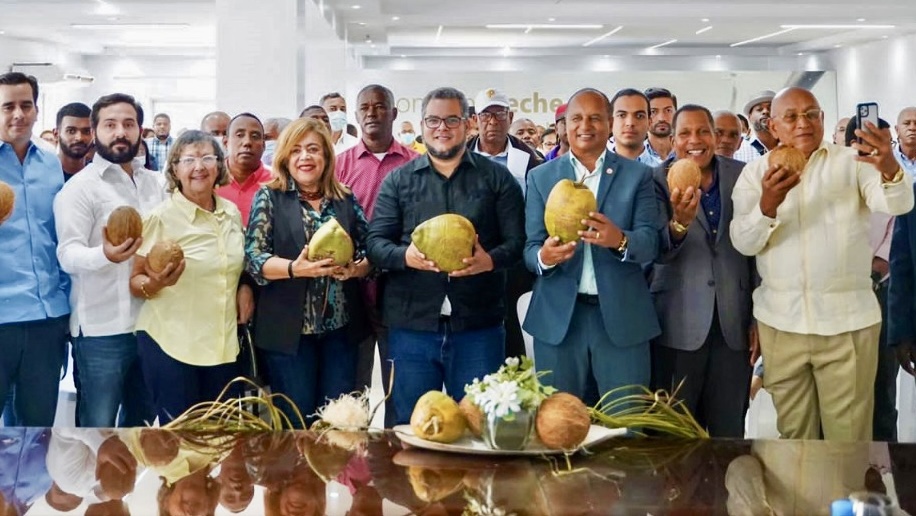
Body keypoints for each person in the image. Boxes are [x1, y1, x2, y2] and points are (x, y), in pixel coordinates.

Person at [731, 87, 914, 441]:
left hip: (848, 324)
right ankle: (800, 483)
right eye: (791, 117)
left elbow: (898, 204)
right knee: (795, 436)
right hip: (781, 323)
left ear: (823, 119)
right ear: (774, 126)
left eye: (811, 114)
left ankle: (843, 482)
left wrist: (889, 166)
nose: (804, 123)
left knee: (848, 438)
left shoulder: (855, 162)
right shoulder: (755, 174)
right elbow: (743, 242)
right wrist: (768, 205)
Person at [367, 86, 525, 425]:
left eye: (452, 120)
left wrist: (489, 261)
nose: (442, 128)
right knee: (409, 427)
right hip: (412, 328)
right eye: (433, 120)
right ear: (422, 125)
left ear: (468, 124)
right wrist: (405, 256)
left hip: (478, 328)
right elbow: (376, 243)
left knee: (478, 427)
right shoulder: (398, 181)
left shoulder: (497, 179)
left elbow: (518, 242)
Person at [523, 88, 660, 403]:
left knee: (625, 419)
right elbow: (530, 248)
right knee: (559, 421)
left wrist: (620, 240)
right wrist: (544, 257)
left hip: (622, 319)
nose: (585, 126)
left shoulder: (638, 175)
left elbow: (651, 242)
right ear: (564, 125)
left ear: (609, 123)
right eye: (577, 118)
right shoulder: (541, 177)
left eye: (595, 118)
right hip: (558, 321)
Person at [245, 117, 371, 428]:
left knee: (337, 422)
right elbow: (254, 257)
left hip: (339, 332)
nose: (305, 157)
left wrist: (355, 269)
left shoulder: (344, 197)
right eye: (296, 150)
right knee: (296, 424)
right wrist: (294, 268)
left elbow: (371, 249)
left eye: (313, 149)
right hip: (288, 335)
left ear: (326, 155)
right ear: (285, 156)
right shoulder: (270, 196)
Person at [54, 93, 163, 428]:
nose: (120, 132)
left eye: (129, 124)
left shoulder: (155, 184)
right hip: (101, 331)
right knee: (96, 429)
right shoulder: (80, 188)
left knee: (142, 427)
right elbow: (67, 254)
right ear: (95, 131)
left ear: (140, 130)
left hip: (151, 326)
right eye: (110, 124)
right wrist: (105, 255)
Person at [650, 105, 756, 437]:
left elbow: (757, 252)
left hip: (733, 326)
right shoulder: (654, 181)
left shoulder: (742, 175)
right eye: (685, 133)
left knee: (729, 433)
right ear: (672, 140)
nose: (694, 140)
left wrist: (757, 318)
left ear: (714, 135)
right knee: (677, 435)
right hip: (677, 326)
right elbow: (652, 252)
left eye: (703, 132)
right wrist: (678, 225)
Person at [130, 130, 248, 424]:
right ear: (174, 169)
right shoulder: (160, 218)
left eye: (207, 158)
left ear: (219, 165)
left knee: (222, 437)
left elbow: (236, 264)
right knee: (181, 441)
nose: (199, 167)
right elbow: (135, 281)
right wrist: (156, 283)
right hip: (172, 346)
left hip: (222, 347)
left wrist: (244, 286)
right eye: (189, 160)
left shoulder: (231, 213)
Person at [335, 85, 418, 402]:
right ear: (356, 115)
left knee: (398, 386)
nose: (372, 113)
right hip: (351, 288)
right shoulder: (339, 166)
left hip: (398, 284)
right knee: (351, 387)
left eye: (380, 106)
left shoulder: (415, 164)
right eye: (365, 107)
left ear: (394, 113)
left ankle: (395, 435)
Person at [0, 72, 70, 427]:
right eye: (7, 106)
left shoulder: (50, 164)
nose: (18, 114)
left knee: (38, 431)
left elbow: (57, 237)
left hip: (46, 318)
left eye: (26, 105)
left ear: (37, 110)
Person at [216, 112, 272, 227]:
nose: (247, 142)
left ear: (264, 145)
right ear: (226, 142)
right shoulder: (209, 179)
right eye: (240, 135)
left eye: (255, 136)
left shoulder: (277, 181)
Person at [607, 88, 657, 165]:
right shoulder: (594, 169)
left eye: (639, 116)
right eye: (622, 115)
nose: (630, 123)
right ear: (610, 122)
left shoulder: (664, 171)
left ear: (649, 123)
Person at [733, 90, 777, 163]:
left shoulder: (791, 145)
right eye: (759, 109)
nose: (765, 111)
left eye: (770, 108)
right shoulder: (738, 150)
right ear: (749, 117)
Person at [54, 102, 92, 181]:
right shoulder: (42, 174)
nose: (79, 138)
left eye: (86, 131)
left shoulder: (98, 176)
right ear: (56, 134)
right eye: (71, 131)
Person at [644, 87, 677, 165]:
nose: (662, 118)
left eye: (668, 110)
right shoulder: (633, 156)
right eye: (653, 112)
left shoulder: (688, 153)